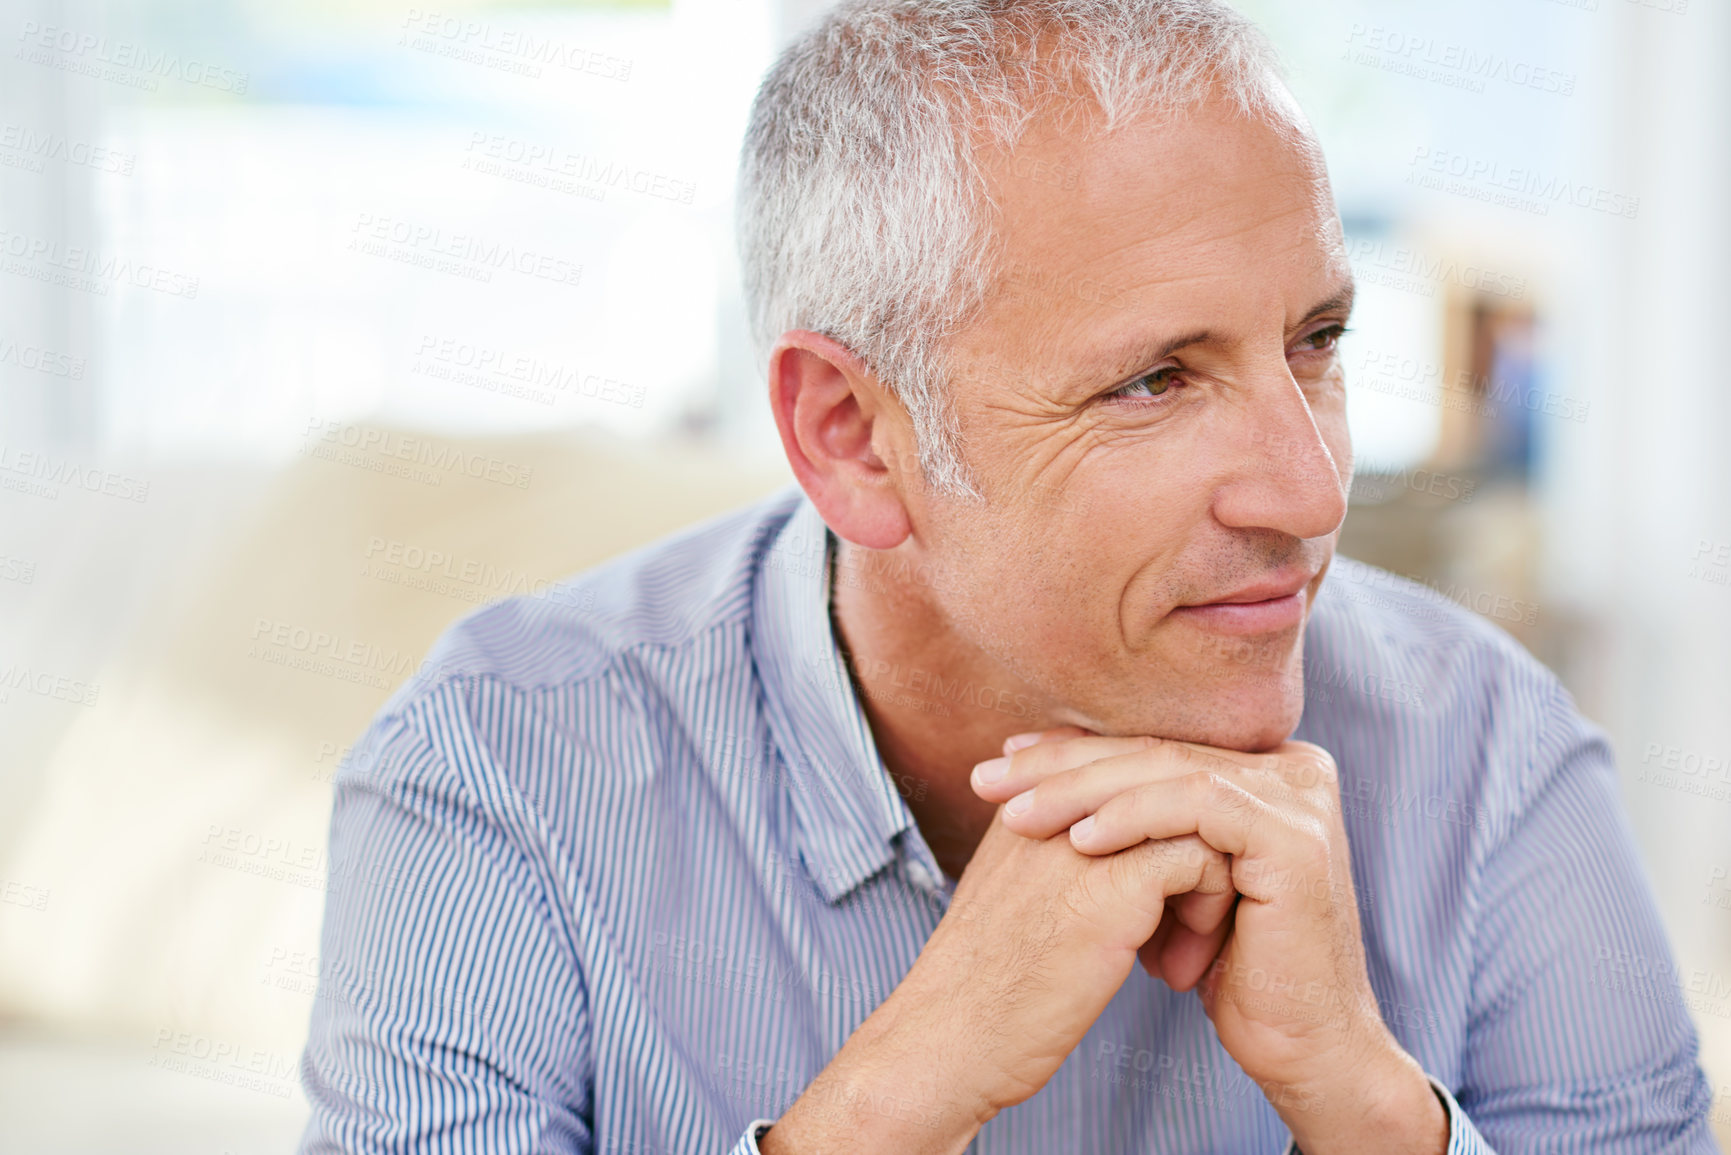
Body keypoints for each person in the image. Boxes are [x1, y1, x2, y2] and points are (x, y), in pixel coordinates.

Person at [297, 1, 1720, 1152]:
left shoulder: (1490, 750)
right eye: (1156, 380)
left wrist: (1369, 1109)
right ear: (853, 438)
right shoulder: (497, 768)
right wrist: (899, 1099)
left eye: (1316, 343)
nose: (1311, 490)